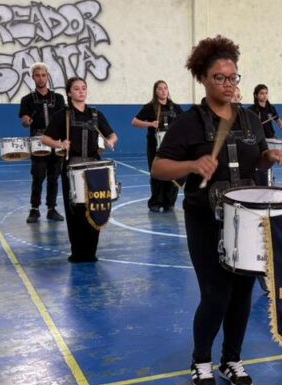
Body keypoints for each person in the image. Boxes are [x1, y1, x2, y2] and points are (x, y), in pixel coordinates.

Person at [152, 36, 282, 385]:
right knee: (215, 294)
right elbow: (158, 168)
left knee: (242, 295)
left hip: (247, 221)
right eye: (220, 78)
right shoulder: (188, 123)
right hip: (205, 221)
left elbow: (258, 161)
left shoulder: (251, 120)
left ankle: (231, 359)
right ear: (203, 78)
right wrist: (191, 164)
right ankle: (201, 361)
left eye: (233, 77)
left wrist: (269, 158)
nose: (228, 84)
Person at [42, 77, 118, 263]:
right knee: (75, 212)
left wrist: (110, 141)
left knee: (95, 208)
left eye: (84, 88)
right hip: (72, 168)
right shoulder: (63, 115)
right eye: (76, 89)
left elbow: (112, 135)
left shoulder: (95, 115)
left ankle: (91, 252)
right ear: (69, 93)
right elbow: (45, 139)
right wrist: (60, 144)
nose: (81, 91)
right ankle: (77, 252)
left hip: (95, 168)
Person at [19, 62, 66, 223]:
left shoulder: (58, 98)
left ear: (47, 77)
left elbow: (64, 118)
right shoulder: (27, 99)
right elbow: (24, 120)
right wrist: (26, 121)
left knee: (54, 176)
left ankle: (51, 209)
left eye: (44, 75)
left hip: (55, 141)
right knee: (38, 176)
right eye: (37, 75)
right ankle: (35, 209)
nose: (41, 78)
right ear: (33, 77)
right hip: (38, 142)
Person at [132, 80, 183, 212]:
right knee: (157, 174)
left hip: (173, 148)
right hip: (155, 146)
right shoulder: (150, 107)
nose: (163, 91)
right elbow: (134, 122)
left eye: (165, 88)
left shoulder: (175, 107)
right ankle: (155, 202)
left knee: (173, 174)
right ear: (155, 91)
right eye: (160, 89)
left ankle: (169, 202)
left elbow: (184, 123)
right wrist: (150, 124)